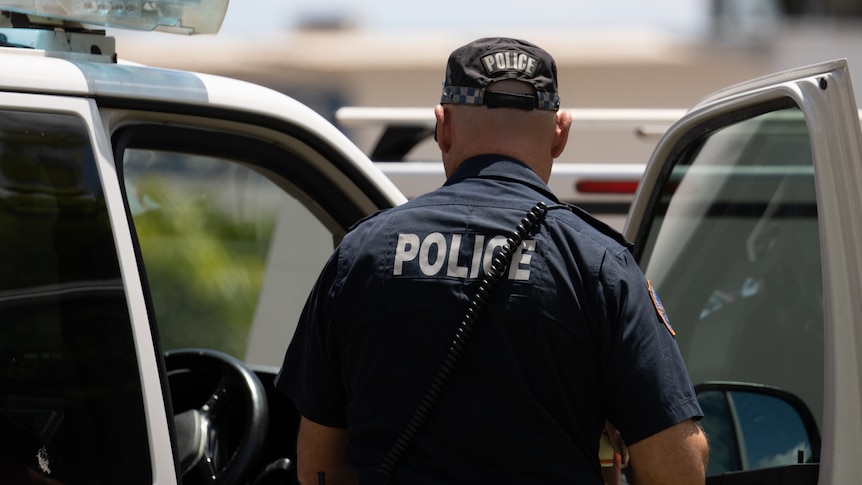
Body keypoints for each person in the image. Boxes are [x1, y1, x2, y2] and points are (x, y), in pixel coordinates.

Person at [275, 37, 709, 485]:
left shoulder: (361, 254)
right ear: (560, 133)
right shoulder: (599, 263)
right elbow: (678, 469)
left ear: (442, 126)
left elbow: (319, 467)